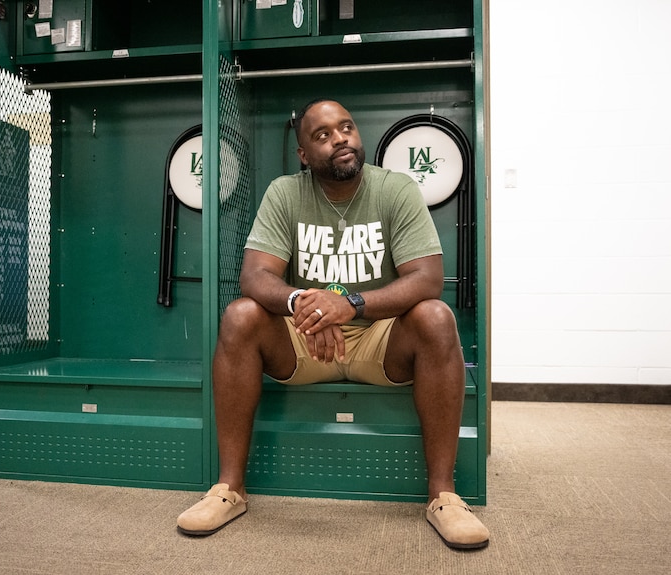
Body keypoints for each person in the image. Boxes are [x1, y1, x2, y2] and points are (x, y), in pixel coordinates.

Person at [176, 99, 489, 549]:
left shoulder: (395, 189)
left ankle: (443, 496)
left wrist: (350, 303)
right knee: (239, 314)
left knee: (436, 317)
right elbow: (255, 276)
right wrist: (305, 301)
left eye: (346, 128)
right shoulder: (286, 192)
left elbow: (428, 279)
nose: (340, 138)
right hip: (307, 342)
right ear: (303, 153)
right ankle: (229, 490)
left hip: (380, 340)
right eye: (322, 135)